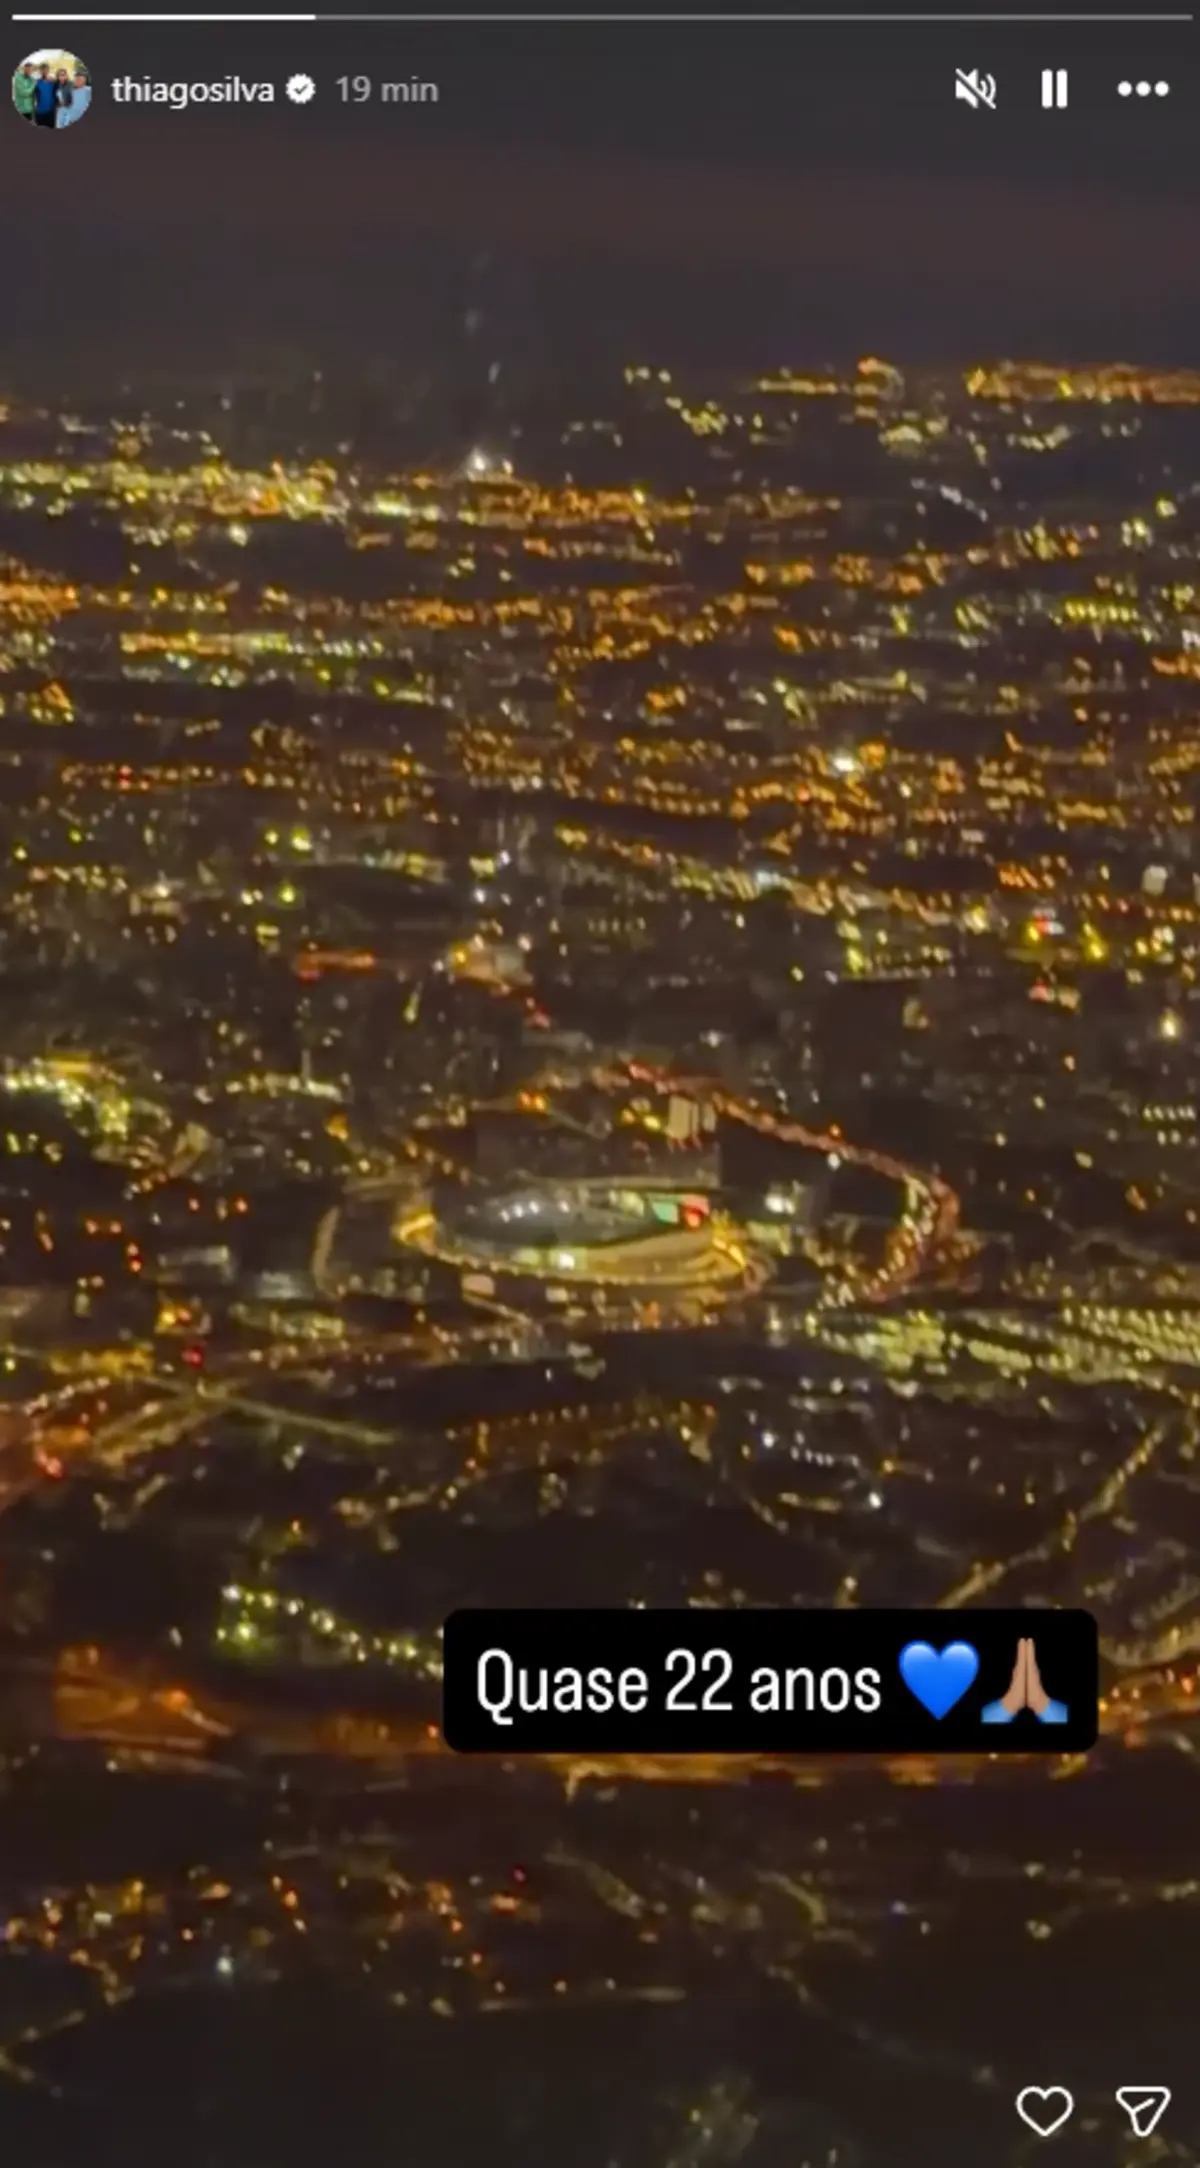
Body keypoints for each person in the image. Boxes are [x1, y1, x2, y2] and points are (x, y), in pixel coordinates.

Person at [31, 62, 58, 127]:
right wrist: (33, 111)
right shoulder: (36, 82)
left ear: (49, 70)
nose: (44, 71)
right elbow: (33, 97)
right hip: (39, 112)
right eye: (42, 70)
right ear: (40, 71)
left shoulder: (53, 82)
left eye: (46, 69)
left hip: (51, 112)